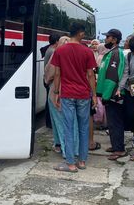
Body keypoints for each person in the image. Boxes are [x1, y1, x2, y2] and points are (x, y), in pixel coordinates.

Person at [51, 22, 97, 173]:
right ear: (81, 33)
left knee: (68, 128)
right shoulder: (87, 52)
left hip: (67, 94)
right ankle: (82, 161)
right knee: (83, 128)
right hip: (83, 94)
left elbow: (57, 74)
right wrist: (94, 96)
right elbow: (90, 74)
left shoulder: (60, 51)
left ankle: (70, 163)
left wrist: (56, 92)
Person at [96, 28, 127, 161]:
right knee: (112, 123)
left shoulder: (116, 54)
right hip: (108, 94)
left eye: (108, 37)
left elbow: (112, 77)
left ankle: (119, 149)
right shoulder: (110, 53)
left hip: (113, 95)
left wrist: (106, 95)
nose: (106, 39)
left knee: (115, 122)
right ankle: (115, 146)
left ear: (114, 39)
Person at [43, 34, 61, 129]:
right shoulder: (53, 51)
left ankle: (49, 122)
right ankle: (50, 123)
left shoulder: (49, 49)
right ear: (57, 41)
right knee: (50, 101)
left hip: (47, 78)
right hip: (50, 80)